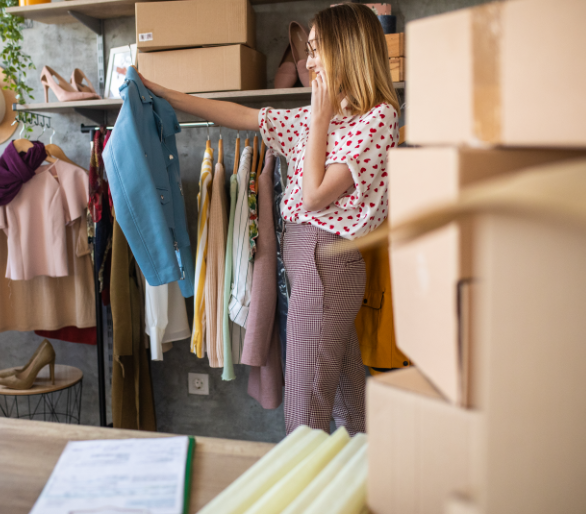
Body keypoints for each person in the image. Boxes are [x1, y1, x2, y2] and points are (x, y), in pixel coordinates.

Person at [140, 3, 399, 435]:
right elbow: (244, 116)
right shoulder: (327, 118)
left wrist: (317, 119)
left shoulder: (376, 118)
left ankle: (304, 499)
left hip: (324, 264)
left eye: (317, 50)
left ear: (347, 49)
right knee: (347, 397)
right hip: (313, 265)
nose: (308, 61)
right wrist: (162, 93)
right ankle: (361, 491)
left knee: (305, 409)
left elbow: (315, 196)